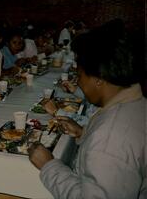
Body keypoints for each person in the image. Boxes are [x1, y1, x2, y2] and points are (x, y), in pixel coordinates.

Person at [28, 20, 146, 199]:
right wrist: (84, 133)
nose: (79, 82)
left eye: (80, 74)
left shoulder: (110, 140)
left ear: (98, 78)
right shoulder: (135, 102)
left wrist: (49, 165)